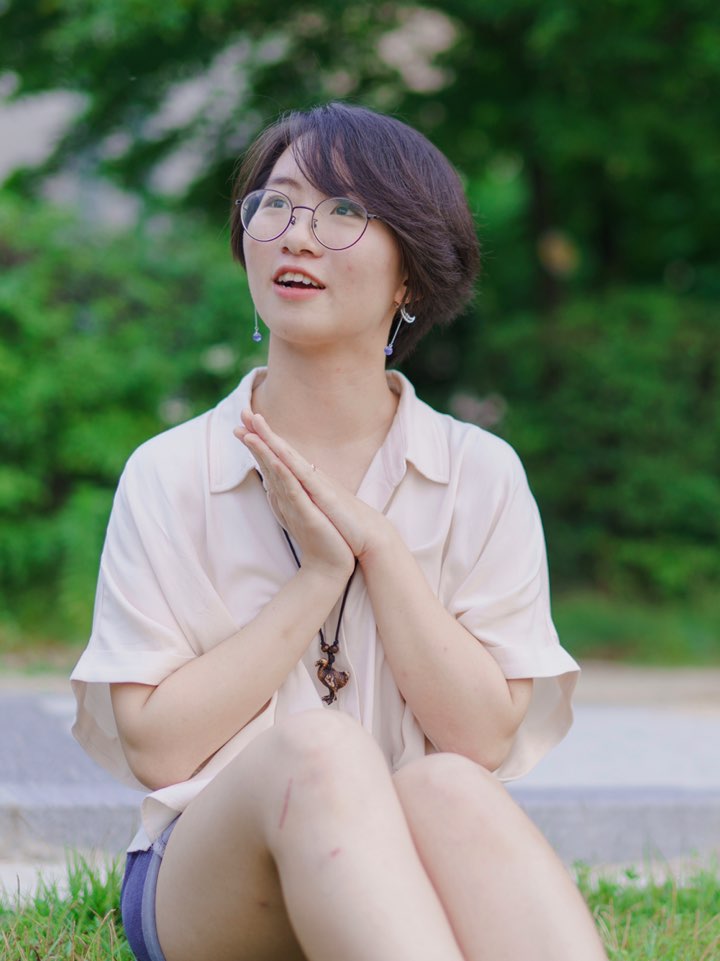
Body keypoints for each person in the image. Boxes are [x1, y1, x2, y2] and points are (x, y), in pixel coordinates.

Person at [71, 102, 608, 961]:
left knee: (452, 786)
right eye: (275, 205)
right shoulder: (170, 473)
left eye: (346, 212)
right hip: (212, 881)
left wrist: (382, 550)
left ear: (411, 278)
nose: (297, 234)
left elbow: (484, 740)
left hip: (413, 852)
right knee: (319, 749)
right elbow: (156, 747)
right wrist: (316, 576)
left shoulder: (479, 473)